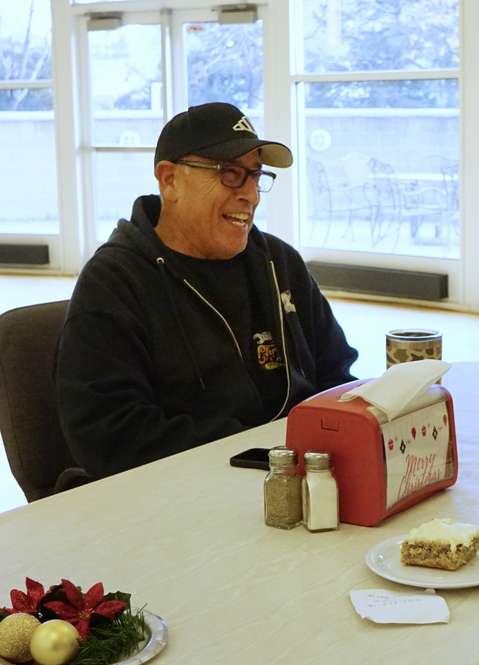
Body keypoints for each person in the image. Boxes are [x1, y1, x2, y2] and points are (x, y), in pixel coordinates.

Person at [56, 102, 358, 478]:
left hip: (295, 477)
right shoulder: (115, 282)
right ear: (169, 180)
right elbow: (110, 438)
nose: (251, 194)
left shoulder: (278, 262)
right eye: (230, 174)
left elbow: (336, 375)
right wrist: (260, 452)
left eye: (256, 175)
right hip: (184, 494)